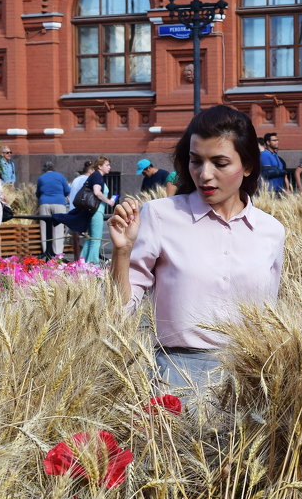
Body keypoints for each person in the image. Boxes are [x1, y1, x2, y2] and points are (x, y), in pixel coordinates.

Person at [108, 105, 285, 399]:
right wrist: (122, 253)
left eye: (220, 163)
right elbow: (120, 311)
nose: (205, 174)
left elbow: (271, 314)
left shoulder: (271, 230)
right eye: (196, 161)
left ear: (248, 165)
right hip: (175, 378)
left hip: (250, 380)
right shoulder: (160, 215)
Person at [74, 157, 118, 264]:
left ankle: (83, 263)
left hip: (92, 211)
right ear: (99, 166)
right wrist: (109, 201)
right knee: (96, 239)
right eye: (107, 165)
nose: (109, 167)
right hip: (97, 211)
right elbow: (97, 192)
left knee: (90, 239)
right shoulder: (98, 176)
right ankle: (94, 264)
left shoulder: (95, 176)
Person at [35, 160, 72, 257]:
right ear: (53, 168)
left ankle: (46, 251)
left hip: (44, 203)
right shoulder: (60, 176)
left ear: (44, 169)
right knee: (58, 229)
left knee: (44, 228)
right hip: (59, 203)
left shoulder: (41, 178)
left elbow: (37, 193)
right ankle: (58, 253)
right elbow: (67, 191)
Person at [66, 162, 93, 260]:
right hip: (82, 211)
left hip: (73, 210)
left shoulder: (76, 180)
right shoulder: (87, 180)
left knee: (76, 238)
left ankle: (78, 259)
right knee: (84, 238)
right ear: (90, 171)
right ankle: (82, 259)